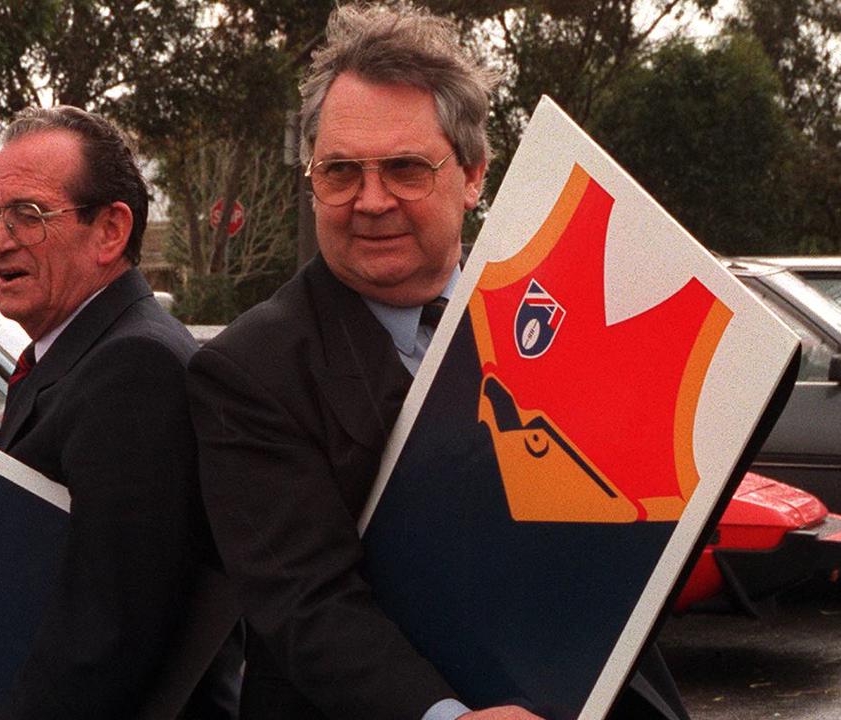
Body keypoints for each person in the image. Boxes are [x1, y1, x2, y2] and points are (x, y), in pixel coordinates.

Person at [187, 5, 688, 720]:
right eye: (339, 172)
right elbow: (307, 604)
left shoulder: (548, 315)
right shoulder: (248, 372)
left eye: (403, 169)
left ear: (474, 175)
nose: (370, 200)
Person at [0, 106, 236, 719]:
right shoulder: (70, 350)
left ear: (111, 231)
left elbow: (106, 638)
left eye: (27, 216)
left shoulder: (137, 366)